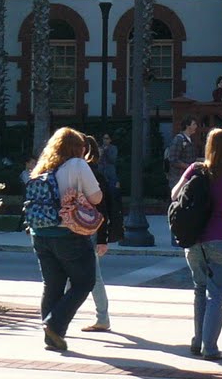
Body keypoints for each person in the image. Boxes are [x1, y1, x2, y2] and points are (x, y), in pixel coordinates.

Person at [172, 127, 222, 361]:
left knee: (199, 290)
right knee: (216, 295)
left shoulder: (196, 169)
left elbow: (175, 194)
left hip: (194, 240)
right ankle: (210, 348)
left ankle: (197, 340)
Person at [27, 128, 102, 352]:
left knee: (52, 285)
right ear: (78, 148)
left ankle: (52, 338)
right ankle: (54, 324)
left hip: (40, 234)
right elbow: (96, 197)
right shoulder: (77, 165)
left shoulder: (44, 166)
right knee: (84, 281)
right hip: (68, 233)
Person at [81, 137, 122, 333]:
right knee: (83, 276)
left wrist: (102, 239)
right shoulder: (92, 172)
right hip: (88, 231)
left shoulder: (90, 174)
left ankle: (57, 317)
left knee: (91, 276)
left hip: (88, 231)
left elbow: (102, 208)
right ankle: (56, 316)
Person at [165, 116, 203, 190]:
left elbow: (191, 158)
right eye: (194, 124)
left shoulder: (189, 140)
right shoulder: (179, 140)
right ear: (187, 126)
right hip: (178, 178)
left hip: (186, 177)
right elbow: (173, 160)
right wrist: (189, 167)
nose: (196, 126)